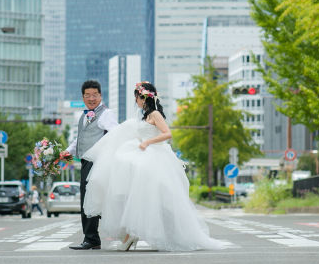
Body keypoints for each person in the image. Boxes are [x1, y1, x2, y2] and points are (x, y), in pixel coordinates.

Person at [83, 81, 226, 252]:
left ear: (143, 97)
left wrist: (148, 142)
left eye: (137, 97)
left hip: (155, 156)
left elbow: (167, 134)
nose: (135, 101)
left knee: (157, 199)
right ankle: (130, 231)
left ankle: (142, 233)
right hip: (145, 154)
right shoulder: (145, 115)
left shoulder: (155, 114)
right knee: (135, 194)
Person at [60, 80, 118, 250]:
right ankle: (91, 237)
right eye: (88, 95)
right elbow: (80, 139)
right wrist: (67, 152)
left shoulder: (106, 113)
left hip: (98, 162)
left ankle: (91, 238)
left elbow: (116, 132)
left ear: (100, 95)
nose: (91, 98)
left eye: (95, 95)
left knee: (89, 199)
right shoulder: (84, 116)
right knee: (89, 199)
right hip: (86, 161)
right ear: (83, 97)